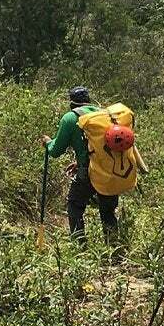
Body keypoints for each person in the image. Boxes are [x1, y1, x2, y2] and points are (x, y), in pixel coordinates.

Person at [44, 85, 117, 243]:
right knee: (108, 211)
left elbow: (56, 151)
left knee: (75, 206)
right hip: (111, 171)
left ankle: (80, 246)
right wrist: (79, 161)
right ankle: (114, 251)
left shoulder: (70, 118)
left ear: (72, 103)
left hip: (89, 172)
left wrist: (48, 143)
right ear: (88, 101)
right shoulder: (105, 116)